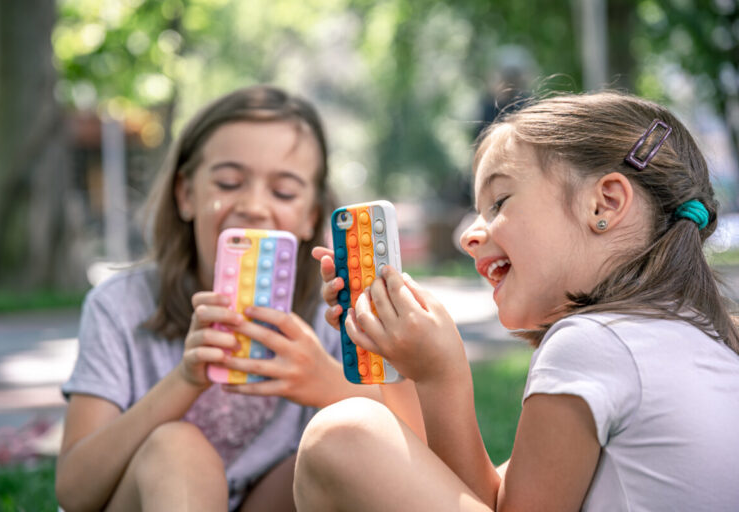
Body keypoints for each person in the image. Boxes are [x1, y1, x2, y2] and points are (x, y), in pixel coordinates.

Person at [296, 91, 739, 511]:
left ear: (605, 203)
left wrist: (442, 376)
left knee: (344, 436)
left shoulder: (593, 344)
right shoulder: (708, 338)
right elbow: (469, 491)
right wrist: (401, 368)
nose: (469, 235)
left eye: (499, 201)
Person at [55, 85, 422, 512]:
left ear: (310, 216)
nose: (253, 206)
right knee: (178, 448)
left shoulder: (330, 313)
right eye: (229, 183)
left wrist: (325, 382)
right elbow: (75, 491)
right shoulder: (119, 306)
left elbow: (411, 453)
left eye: (283, 192)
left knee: (347, 438)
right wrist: (186, 380)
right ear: (186, 194)